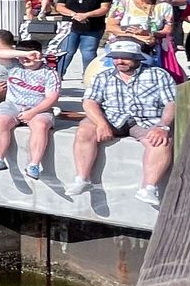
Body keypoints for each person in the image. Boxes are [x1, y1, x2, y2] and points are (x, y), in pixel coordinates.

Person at [67, 38, 177, 208]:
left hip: (146, 120)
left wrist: (163, 126)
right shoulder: (102, 76)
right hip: (112, 117)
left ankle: (148, 187)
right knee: (84, 130)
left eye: (125, 57)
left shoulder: (158, 74)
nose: (119, 61)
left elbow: (172, 103)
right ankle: (82, 178)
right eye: (116, 57)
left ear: (137, 58)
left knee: (162, 141)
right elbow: (89, 102)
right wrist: (101, 123)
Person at [0, 47, 60, 178]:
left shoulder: (50, 73)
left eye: (30, 56)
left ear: (39, 56)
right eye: (22, 56)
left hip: (39, 108)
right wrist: (25, 54)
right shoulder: (14, 66)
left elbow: (52, 98)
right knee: (1, 121)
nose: (25, 59)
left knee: (41, 125)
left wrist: (33, 112)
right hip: (12, 105)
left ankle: (34, 165)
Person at [51, 0, 111, 80]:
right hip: (70, 26)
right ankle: (57, 75)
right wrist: (74, 15)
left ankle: (89, 76)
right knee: (67, 52)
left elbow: (104, 8)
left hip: (93, 27)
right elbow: (59, 7)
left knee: (88, 52)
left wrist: (86, 15)